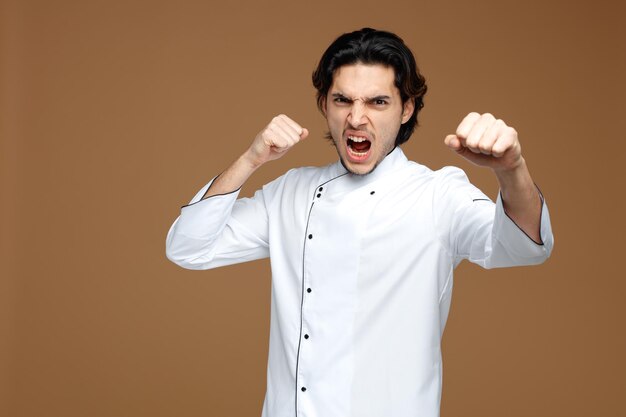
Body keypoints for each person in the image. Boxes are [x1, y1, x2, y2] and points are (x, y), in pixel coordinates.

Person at [166, 28, 553, 417]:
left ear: (407, 108)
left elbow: (524, 246)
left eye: (377, 102)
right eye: (342, 100)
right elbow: (188, 246)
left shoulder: (438, 195)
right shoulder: (291, 192)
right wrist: (251, 159)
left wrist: (511, 169)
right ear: (324, 104)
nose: (356, 118)